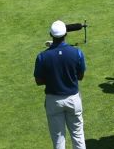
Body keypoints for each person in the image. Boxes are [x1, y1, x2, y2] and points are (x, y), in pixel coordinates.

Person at [34, 21, 87, 149]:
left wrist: (53, 79)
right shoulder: (77, 53)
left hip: (53, 101)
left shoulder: (42, 56)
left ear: (50, 35)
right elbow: (80, 76)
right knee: (78, 136)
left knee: (58, 140)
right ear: (66, 34)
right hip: (73, 100)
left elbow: (38, 81)